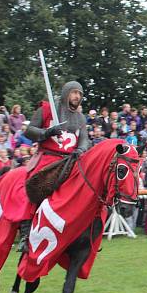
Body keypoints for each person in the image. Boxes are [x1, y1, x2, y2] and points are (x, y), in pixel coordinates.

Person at [23, 81, 90, 242]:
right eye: (74, 93)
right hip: (48, 157)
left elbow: (84, 139)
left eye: (80, 94)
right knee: (37, 185)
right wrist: (48, 132)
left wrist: (80, 150)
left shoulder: (80, 117)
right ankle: (27, 230)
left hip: (70, 159)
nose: (77, 96)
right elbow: (29, 131)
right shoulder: (46, 110)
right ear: (67, 93)